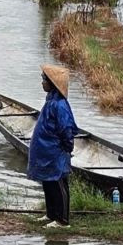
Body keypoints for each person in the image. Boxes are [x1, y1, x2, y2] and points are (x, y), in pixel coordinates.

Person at [28, 64, 79, 229]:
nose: (42, 82)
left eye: (44, 79)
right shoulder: (51, 100)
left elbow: (66, 129)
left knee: (58, 183)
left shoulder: (59, 105)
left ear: (52, 83)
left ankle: (63, 220)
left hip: (56, 150)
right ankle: (51, 214)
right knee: (48, 182)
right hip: (46, 150)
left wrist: (67, 146)